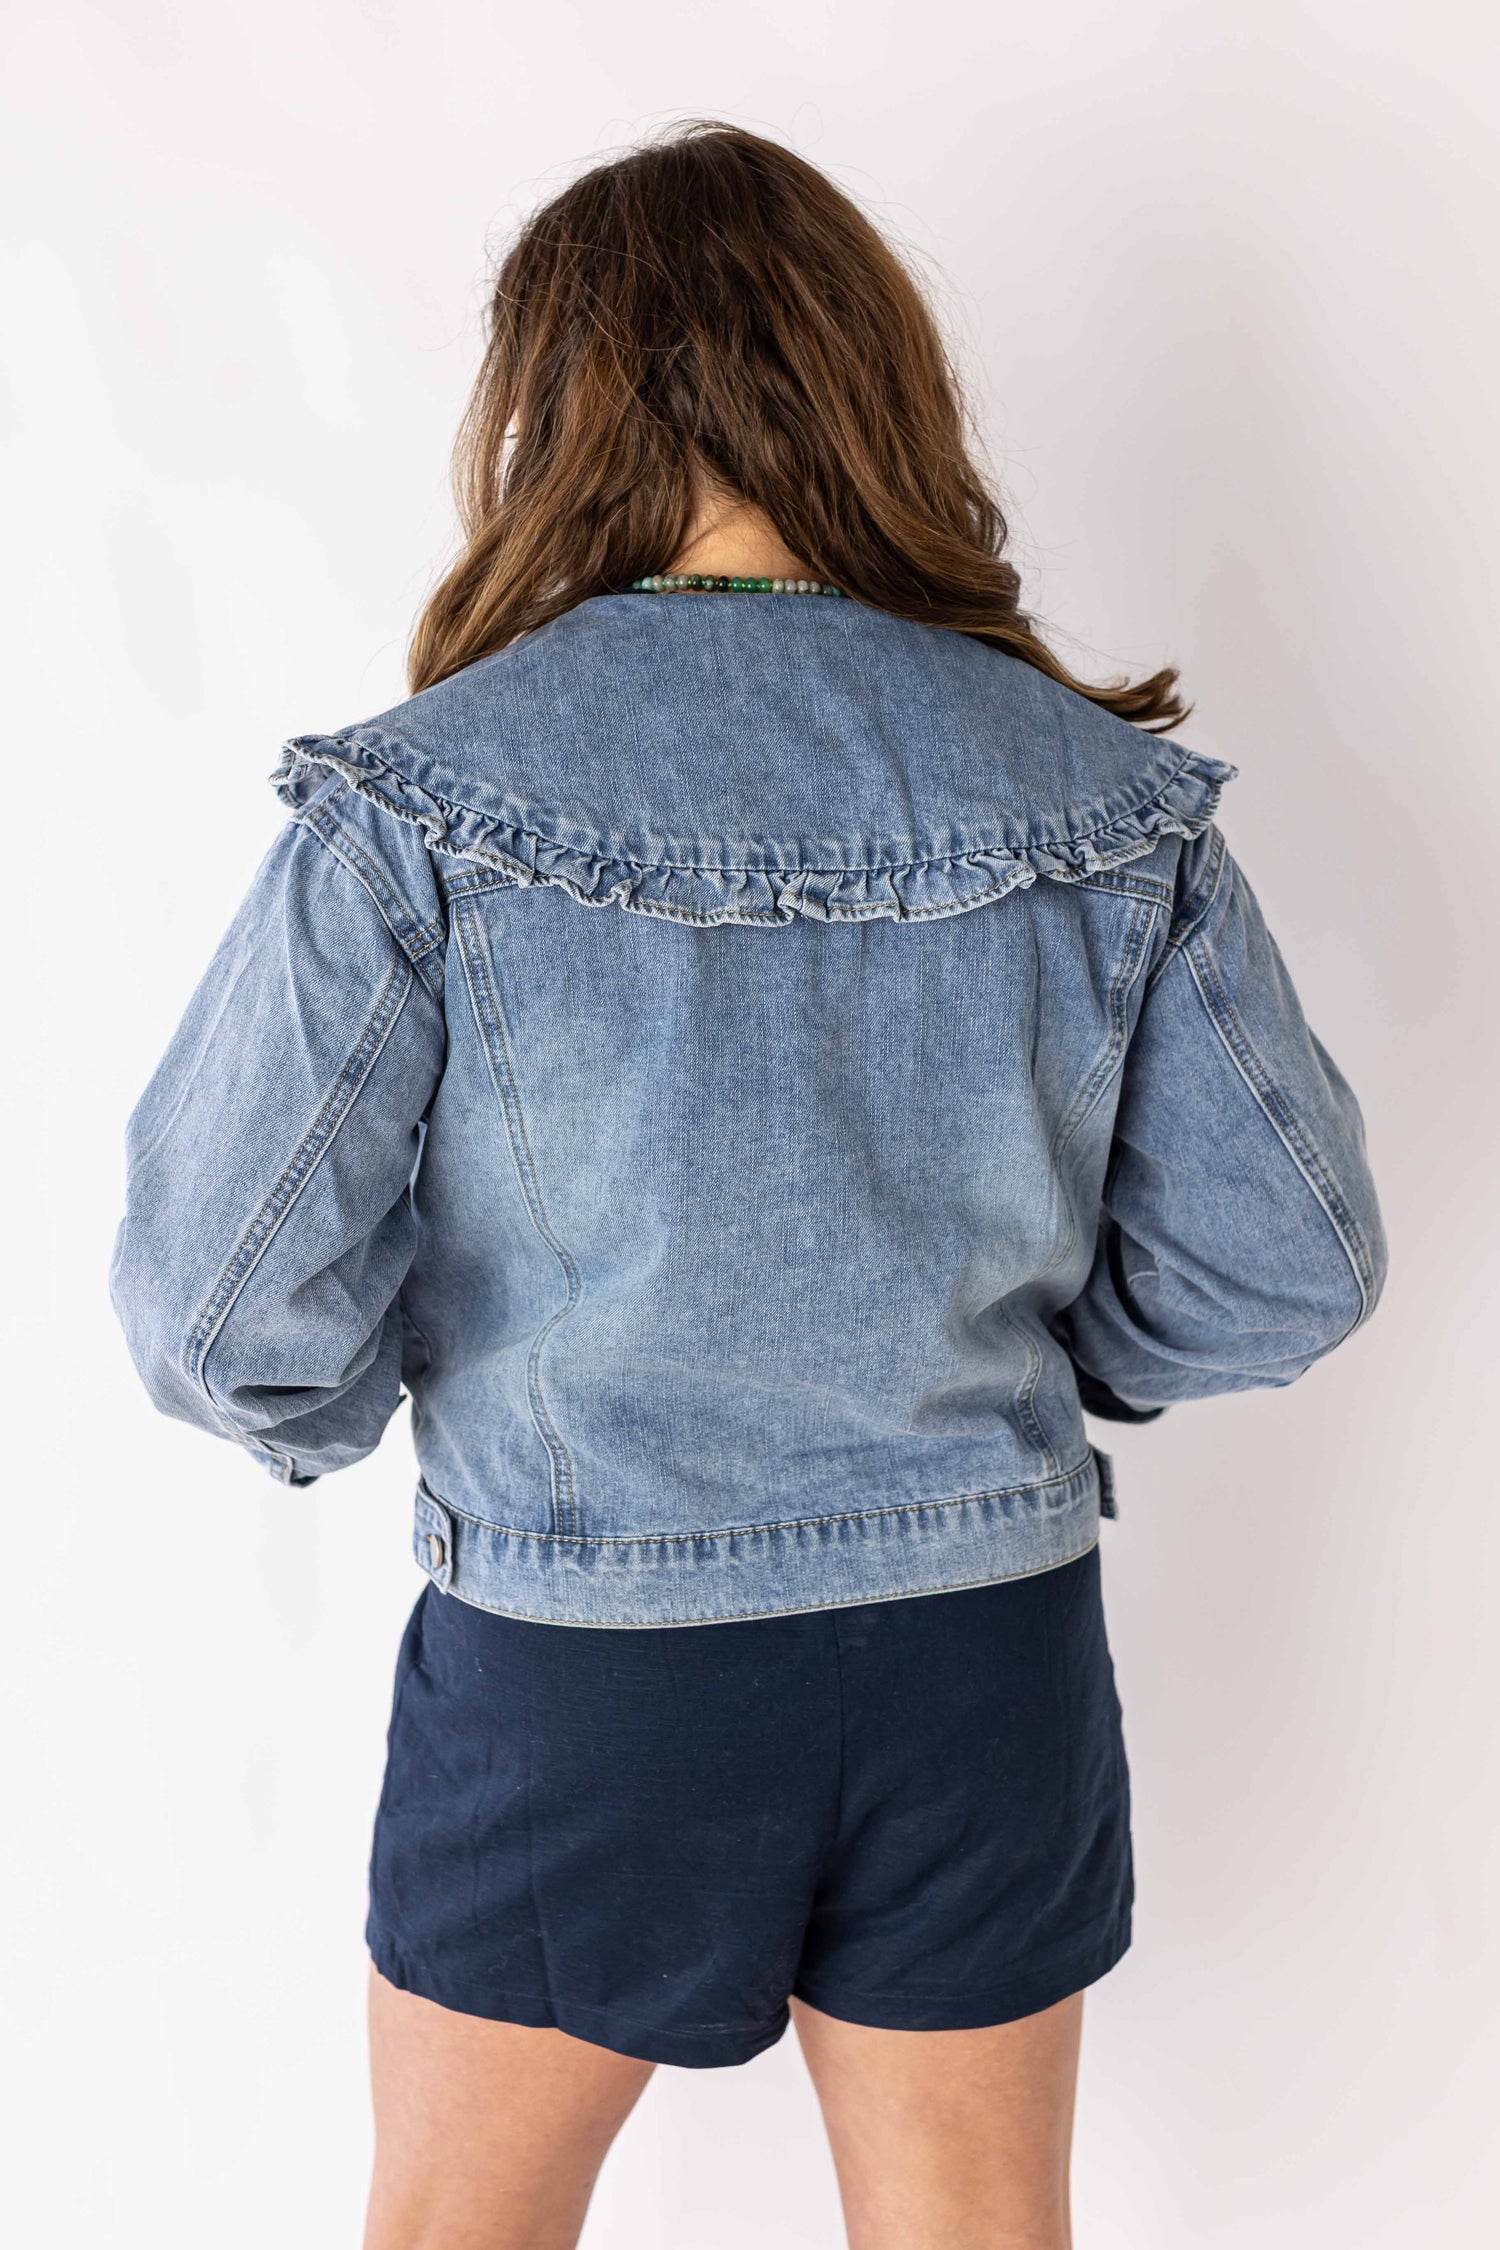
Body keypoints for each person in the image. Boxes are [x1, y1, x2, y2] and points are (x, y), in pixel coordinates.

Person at [109, 121, 1386, 2250]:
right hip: (984, 1656)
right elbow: (1296, 1263)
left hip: (584, 1669)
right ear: (875, 384)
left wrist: (358, 1422)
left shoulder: (422, 802)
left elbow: (219, 1312)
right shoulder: (1104, 798)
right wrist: (1033, 1367)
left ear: (551, 407)